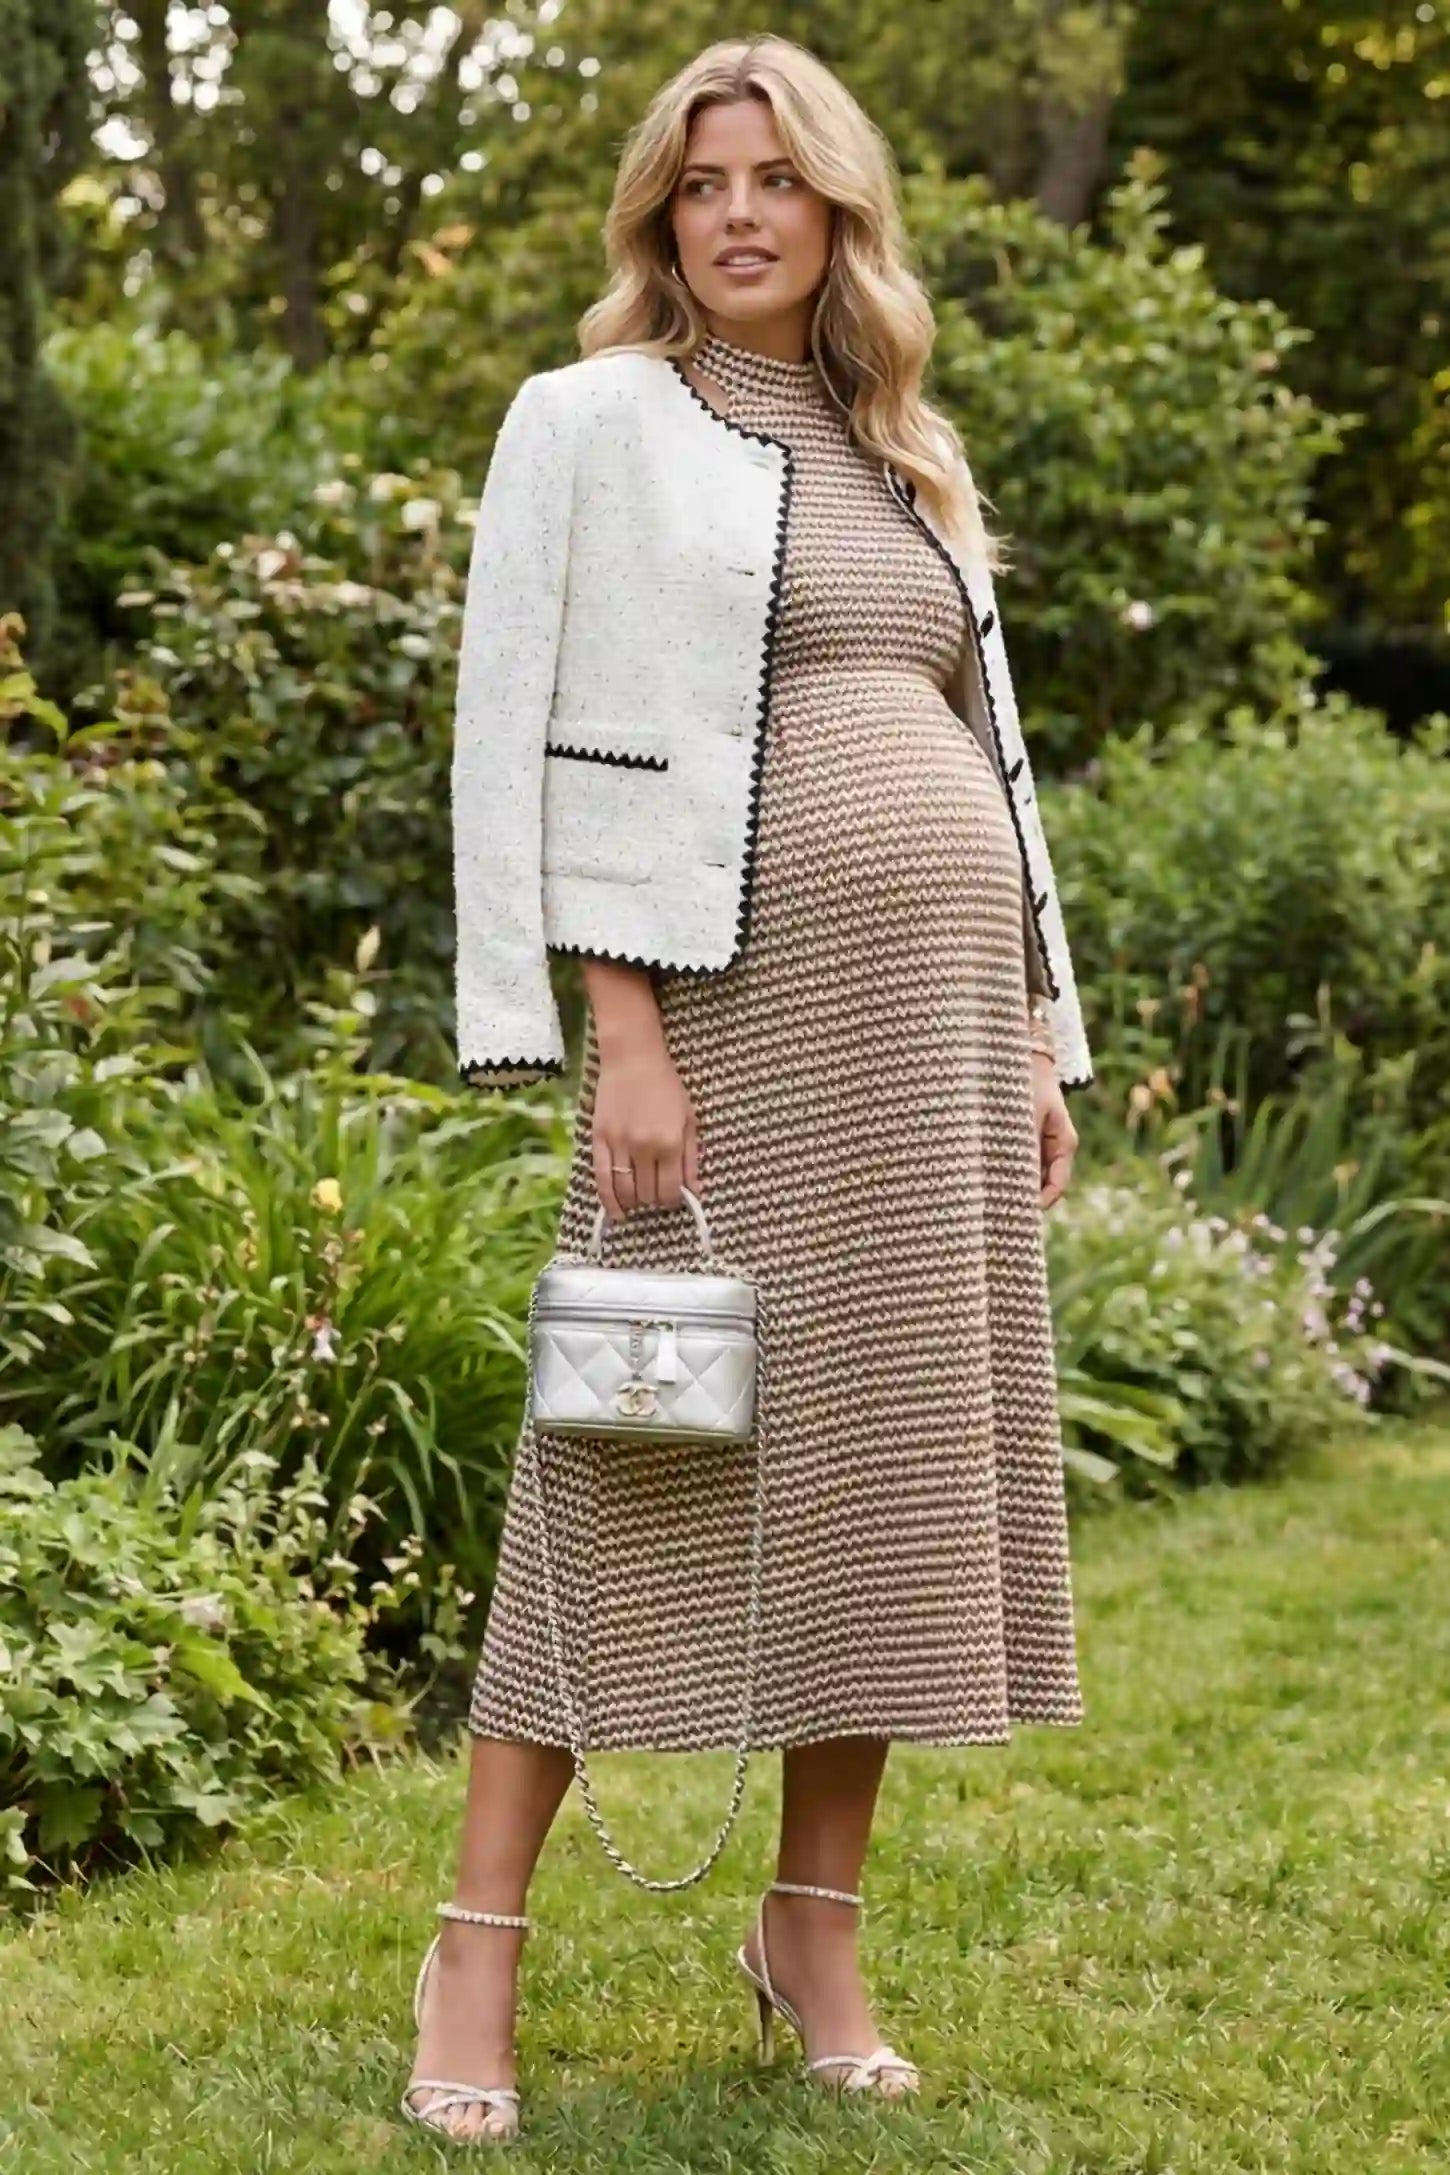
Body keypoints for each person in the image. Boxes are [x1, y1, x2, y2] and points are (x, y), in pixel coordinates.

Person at [404, 31, 1092, 2146]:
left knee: (878, 1480)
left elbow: (990, 759)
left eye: (773, 182)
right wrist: (615, 1025)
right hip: (721, 1015)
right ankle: (473, 1947)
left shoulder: (904, 443)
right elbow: (528, 722)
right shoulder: (588, 422)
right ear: (657, 213)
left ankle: (811, 1929)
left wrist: (1045, 1033)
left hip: (932, 1037)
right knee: (625, 1471)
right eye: (701, 182)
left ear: (835, 215)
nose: (735, 213)